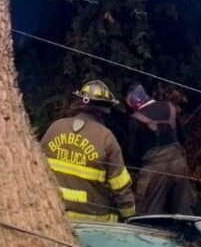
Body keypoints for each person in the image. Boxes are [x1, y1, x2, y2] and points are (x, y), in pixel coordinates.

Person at [40, 80, 136, 222]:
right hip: (93, 222)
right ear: (103, 112)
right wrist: (130, 217)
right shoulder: (106, 138)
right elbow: (120, 187)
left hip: (54, 215)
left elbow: (35, 167)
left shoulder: (55, 127)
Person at [124, 82, 196, 215]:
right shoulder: (170, 107)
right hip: (179, 164)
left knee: (149, 216)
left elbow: (133, 154)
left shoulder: (135, 120)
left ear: (133, 102)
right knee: (183, 212)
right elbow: (182, 138)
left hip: (153, 170)